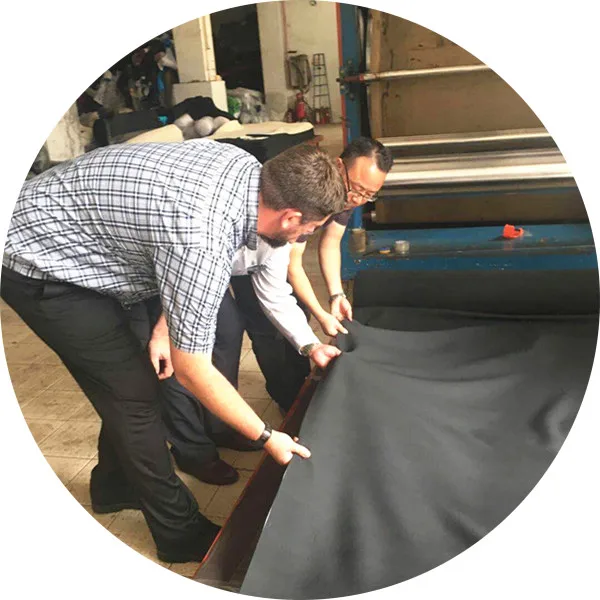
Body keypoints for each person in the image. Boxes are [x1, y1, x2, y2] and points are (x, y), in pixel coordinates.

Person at [1, 139, 346, 563]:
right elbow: (192, 369)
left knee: (132, 379)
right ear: (290, 215)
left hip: (92, 235)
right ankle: (179, 534)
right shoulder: (203, 237)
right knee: (136, 399)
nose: (306, 236)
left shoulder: (246, 169)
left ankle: (113, 486)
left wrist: (165, 326)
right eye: (310, 228)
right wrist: (266, 435)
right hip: (38, 257)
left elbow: (170, 250)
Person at [149, 237, 342, 486]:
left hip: (207, 271)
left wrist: (311, 346)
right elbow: (183, 278)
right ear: (288, 218)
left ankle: (221, 427)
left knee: (228, 330)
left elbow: (275, 296)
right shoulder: (209, 231)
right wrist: (165, 329)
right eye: (306, 230)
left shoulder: (279, 240)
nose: (302, 240)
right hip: (163, 273)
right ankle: (193, 453)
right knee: (173, 361)